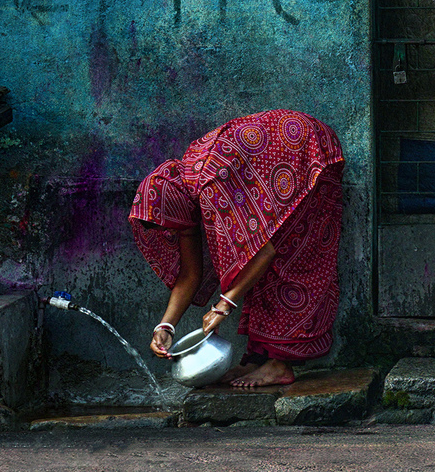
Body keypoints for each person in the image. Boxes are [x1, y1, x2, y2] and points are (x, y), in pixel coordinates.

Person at [131, 109, 345, 386]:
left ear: (174, 205)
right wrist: (165, 326)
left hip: (306, 151)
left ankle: (280, 365)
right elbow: (190, 274)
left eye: (172, 226)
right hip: (287, 154)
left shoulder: (211, 186)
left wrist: (223, 306)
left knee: (289, 253)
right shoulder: (185, 192)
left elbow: (265, 252)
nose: (174, 232)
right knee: (248, 262)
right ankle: (259, 358)